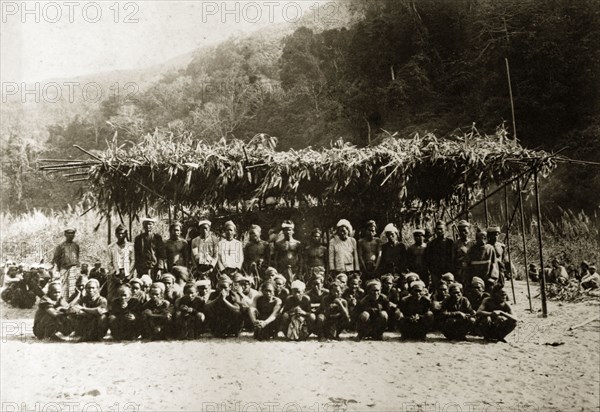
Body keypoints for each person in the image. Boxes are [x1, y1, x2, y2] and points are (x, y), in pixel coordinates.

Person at [51, 227, 81, 301]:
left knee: (74, 287)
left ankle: (73, 303)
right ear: (65, 234)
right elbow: (56, 259)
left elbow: (77, 257)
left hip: (74, 269)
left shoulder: (76, 246)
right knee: (63, 287)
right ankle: (63, 303)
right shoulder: (60, 246)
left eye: (72, 233)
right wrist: (56, 270)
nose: (70, 235)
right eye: (69, 233)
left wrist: (77, 269)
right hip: (64, 269)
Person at [423, 221, 454, 289]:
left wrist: (451, 271)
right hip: (435, 273)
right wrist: (432, 271)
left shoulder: (450, 243)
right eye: (437, 229)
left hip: (448, 272)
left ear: (445, 229)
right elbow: (427, 259)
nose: (439, 231)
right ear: (435, 230)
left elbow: (453, 258)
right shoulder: (431, 244)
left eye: (441, 229)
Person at [452, 220, 472, 284]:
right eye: (461, 231)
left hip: (471, 271)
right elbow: (453, 260)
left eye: (465, 230)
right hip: (459, 272)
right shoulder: (456, 244)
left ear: (468, 231)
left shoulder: (473, 243)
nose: (464, 233)